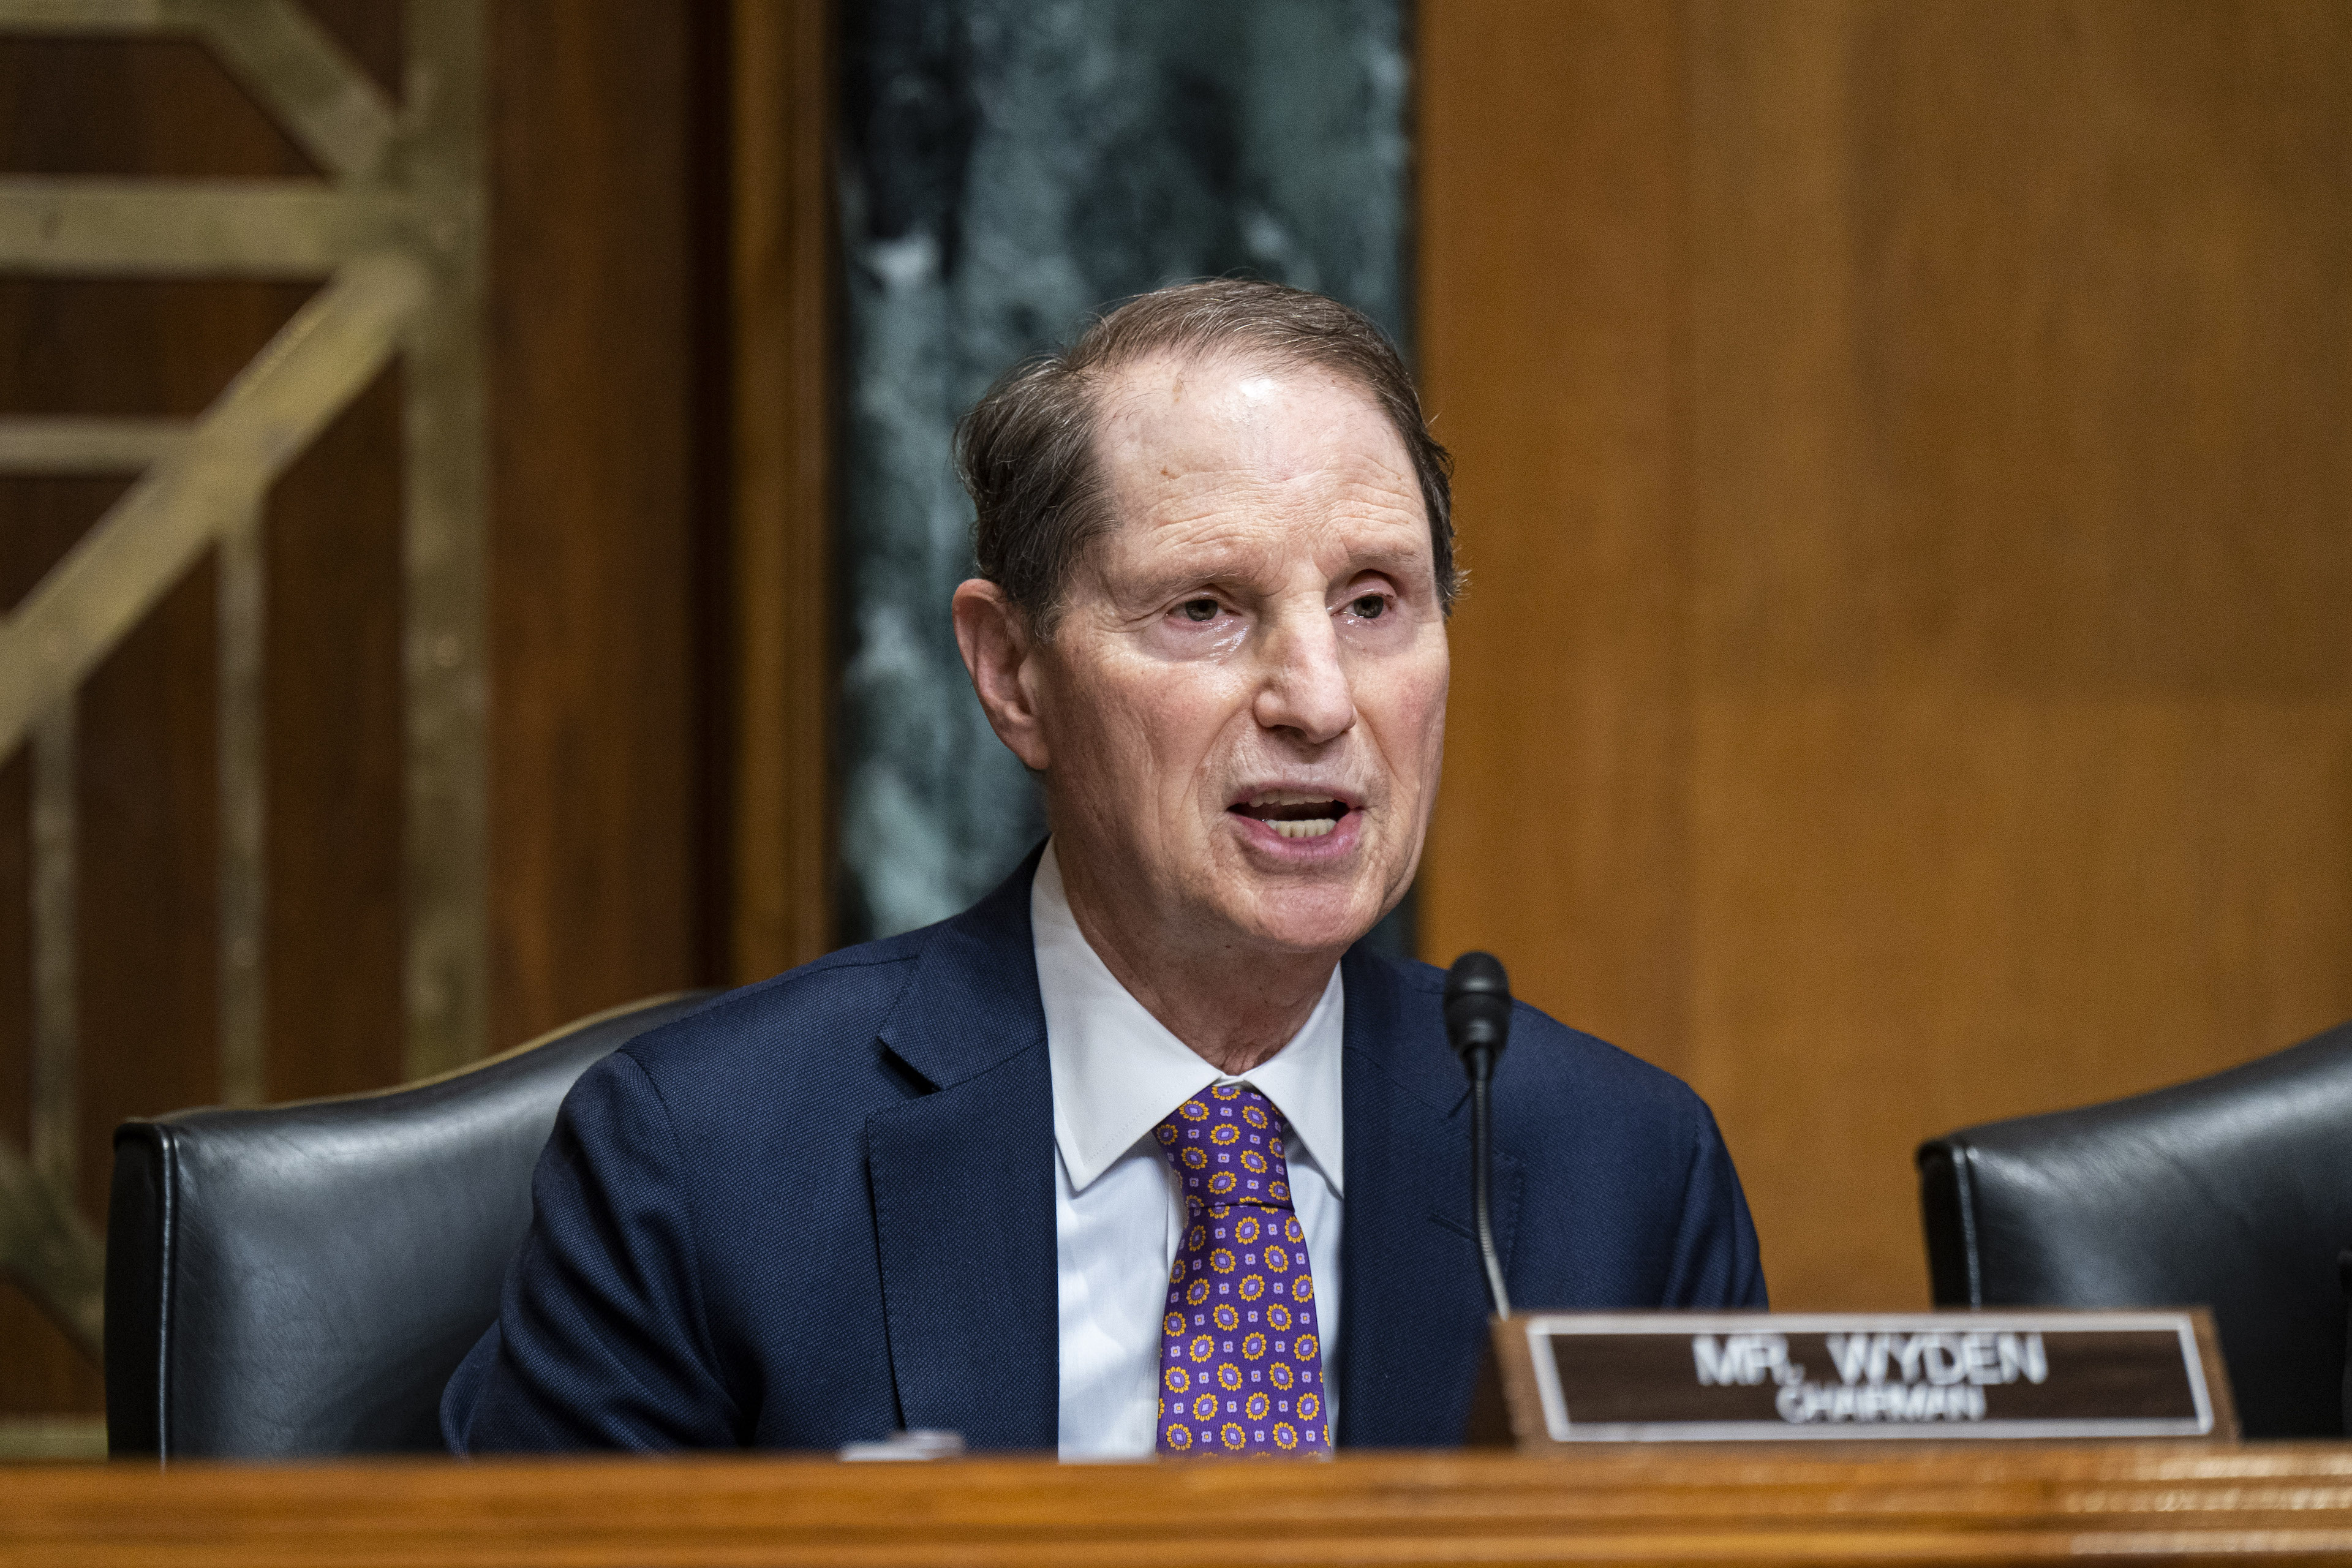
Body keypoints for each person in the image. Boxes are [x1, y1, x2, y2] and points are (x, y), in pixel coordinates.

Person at [442, 279, 1765, 1458]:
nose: (1319, 699)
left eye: (1373, 603)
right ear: (1013, 673)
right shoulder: (709, 1159)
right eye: (1205, 608)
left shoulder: (1625, 1173)